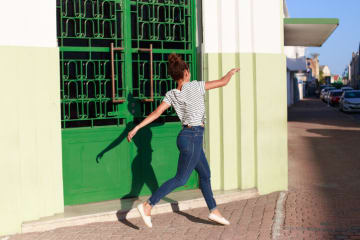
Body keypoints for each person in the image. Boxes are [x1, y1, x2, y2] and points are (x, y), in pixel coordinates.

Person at [127, 53, 240, 228]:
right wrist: (231, 73)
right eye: (188, 71)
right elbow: (222, 82)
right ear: (186, 72)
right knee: (181, 179)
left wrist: (136, 127)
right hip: (194, 136)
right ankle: (148, 205)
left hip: (186, 137)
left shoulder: (171, 94)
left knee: (205, 175)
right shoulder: (196, 86)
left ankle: (214, 210)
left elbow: (156, 114)